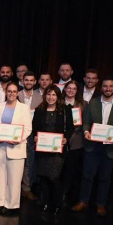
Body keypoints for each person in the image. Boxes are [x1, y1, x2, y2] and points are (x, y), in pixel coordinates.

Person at [72, 78, 113, 216]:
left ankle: (101, 204)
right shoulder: (93, 102)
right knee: (87, 175)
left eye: (111, 86)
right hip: (93, 146)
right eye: (105, 86)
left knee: (105, 178)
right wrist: (86, 132)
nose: (108, 89)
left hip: (111, 148)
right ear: (102, 87)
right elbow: (86, 122)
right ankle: (83, 201)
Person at [0, 82, 32, 214]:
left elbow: (28, 129)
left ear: (17, 93)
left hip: (16, 147)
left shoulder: (24, 108)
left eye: (14, 91)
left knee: (14, 178)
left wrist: (17, 139)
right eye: (9, 91)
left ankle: (12, 205)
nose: (11, 94)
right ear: (5, 92)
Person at [32, 86, 74, 216]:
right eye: (49, 94)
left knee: (53, 177)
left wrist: (65, 138)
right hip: (43, 149)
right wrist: (35, 136)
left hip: (57, 151)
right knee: (43, 178)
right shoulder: (39, 110)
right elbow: (35, 127)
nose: (51, 97)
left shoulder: (65, 110)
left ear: (58, 96)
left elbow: (70, 128)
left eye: (54, 95)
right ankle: (46, 202)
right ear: (45, 96)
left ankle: (57, 204)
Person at [18, 71, 43, 200]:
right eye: (26, 80)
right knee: (17, 161)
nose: (28, 82)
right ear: (22, 81)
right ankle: (16, 188)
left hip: (33, 134)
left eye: (31, 80)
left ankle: (26, 188)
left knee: (30, 161)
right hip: (18, 133)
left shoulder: (40, 98)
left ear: (35, 82)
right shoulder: (15, 95)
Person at [62, 80, 87, 205]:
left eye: (74, 89)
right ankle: (59, 193)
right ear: (65, 89)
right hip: (59, 140)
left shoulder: (83, 104)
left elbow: (86, 123)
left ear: (77, 91)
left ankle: (68, 194)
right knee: (60, 168)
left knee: (72, 169)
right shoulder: (58, 102)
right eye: (69, 88)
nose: (71, 90)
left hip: (76, 140)